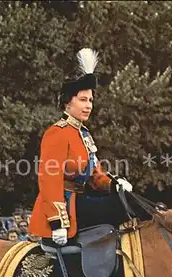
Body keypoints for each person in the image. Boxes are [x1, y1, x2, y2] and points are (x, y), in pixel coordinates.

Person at [29, 48, 150, 247]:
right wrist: (57, 221)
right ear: (68, 103)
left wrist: (114, 184)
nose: (89, 106)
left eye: (91, 100)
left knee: (129, 198)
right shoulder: (57, 132)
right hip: (67, 208)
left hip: (82, 201)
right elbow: (49, 179)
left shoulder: (84, 134)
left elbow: (95, 176)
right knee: (125, 204)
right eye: (83, 100)